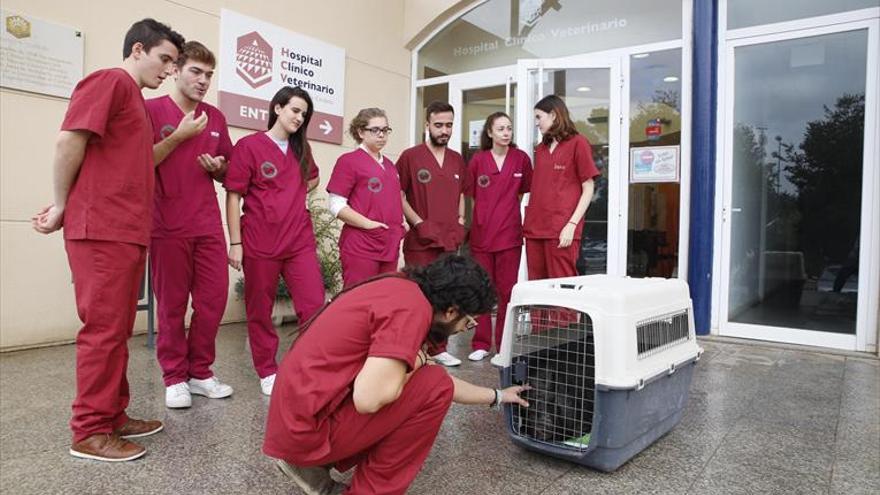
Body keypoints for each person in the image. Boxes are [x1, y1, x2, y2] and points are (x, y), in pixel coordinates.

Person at [31, 19, 184, 462]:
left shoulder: (133, 99)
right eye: (165, 59)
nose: (170, 70)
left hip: (126, 229)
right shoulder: (110, 81)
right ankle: (90, 430)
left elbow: (133, 161)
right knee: (103, 331)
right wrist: (61, 205)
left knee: (116, 330)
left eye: (175, 62)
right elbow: (67, 142)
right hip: (102, 228)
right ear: (138, 49)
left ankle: (113, 414)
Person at [263, 255, 530, 495]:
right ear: (451, 311)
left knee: (427, 380)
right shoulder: (410, 309)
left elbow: (424, 381)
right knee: (431, 385)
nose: (465, 328)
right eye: (468, 321)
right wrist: (418, 361)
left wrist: (498, 395)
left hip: (297, 419)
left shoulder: (402, 288)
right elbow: (370, 399)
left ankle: (311, 466)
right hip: (304, 429)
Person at [145, 41, 234, 409]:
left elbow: (230, 168)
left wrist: (220, 168)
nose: (203, 80)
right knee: (171, 306)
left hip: (208, 225)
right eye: (196, 72)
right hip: (166, 224)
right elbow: (138, 162)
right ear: (175, 70)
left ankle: (200, 372)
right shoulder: (150, 111)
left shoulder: (215, 117)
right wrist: (178, 136)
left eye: (209, 75)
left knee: (213, 302)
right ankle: (175, 377)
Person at [224, 86, 326, 397]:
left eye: (304, 115)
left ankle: (305, 364)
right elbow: (233, 196)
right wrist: (236, 243)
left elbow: (314, 178)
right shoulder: (249, 146)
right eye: (295, 110)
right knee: (260, 310)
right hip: (259, 242)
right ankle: (267, 369)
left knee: (314, 305)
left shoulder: (301, 149)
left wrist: (293, 197)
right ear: (278, 108)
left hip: (298, 242)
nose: (299, 118)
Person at [397, 101, 467, 366]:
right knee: (419, 294)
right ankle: (414, 347)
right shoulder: (410, 157)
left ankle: (438, 348)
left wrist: (460, 220)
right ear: (427, 125)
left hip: (448, 239)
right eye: (438, 125)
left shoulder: (457, 160)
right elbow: (399, 194)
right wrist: (417, 223)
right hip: (421, 240)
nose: (444, 130)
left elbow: (462, 193)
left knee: (445, 293)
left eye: (449, 125)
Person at [522, 95, 600, 331]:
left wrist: (572, 224)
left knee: (562, 291)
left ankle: (563, 347)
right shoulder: (541, 148)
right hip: (536, 228)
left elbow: (589, 187)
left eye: (539, 117)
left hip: (562, 229)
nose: (536, 122)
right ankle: (538, 344)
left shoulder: (578, 143)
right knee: (537, 290)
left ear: (554, 115)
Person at [464, 112, 532, 365]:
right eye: (501, 128)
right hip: (482, 235)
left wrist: (507, 212)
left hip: (510, 236)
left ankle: (504, 346)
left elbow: (524, 192)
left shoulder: (521, 159)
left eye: (509, 128)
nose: (506, 132)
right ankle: (481, 343)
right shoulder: (478, 160)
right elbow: (471, 196)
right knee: (483, 289)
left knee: (506, 291)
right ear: (490, 132)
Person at [326, 108, 406, 288]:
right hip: (361, 245)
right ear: (361, 132)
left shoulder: (390, 166)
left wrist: (402, 224)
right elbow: (336, 205)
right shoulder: (349, 161)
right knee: (357, 300)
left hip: (388, 244)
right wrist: (368, 224)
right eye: (375, 130)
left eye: (385, 130)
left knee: (384, 299)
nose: (382, 135)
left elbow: (392, 201)